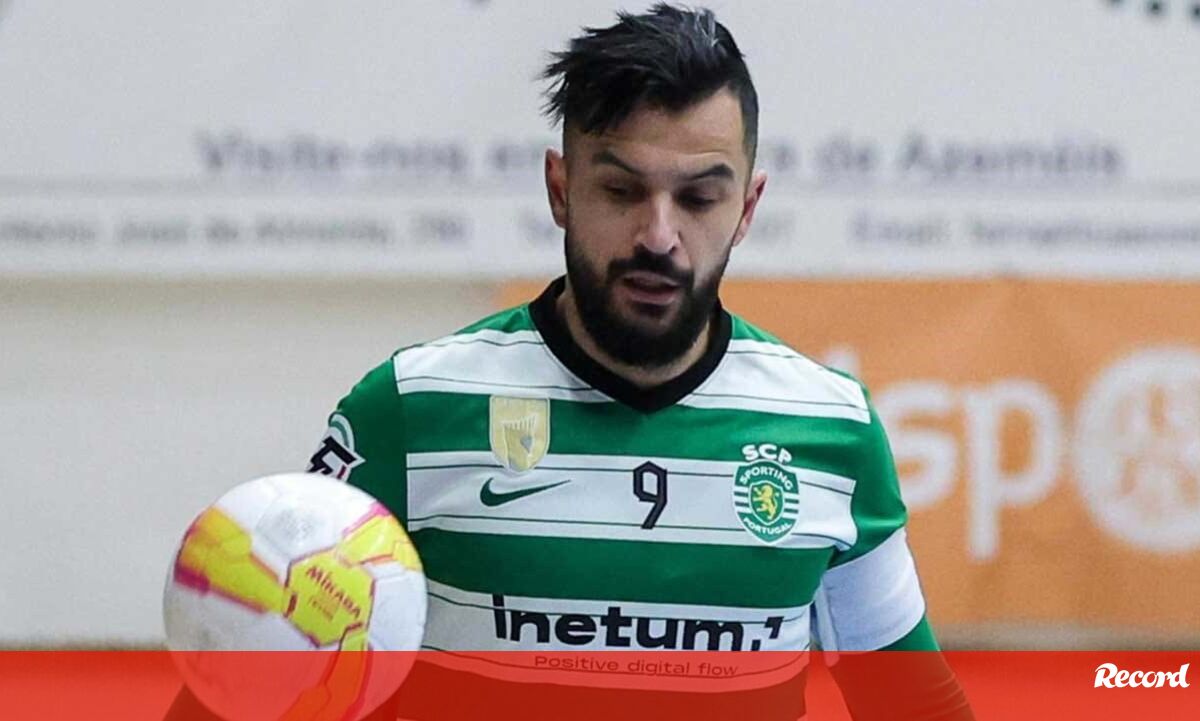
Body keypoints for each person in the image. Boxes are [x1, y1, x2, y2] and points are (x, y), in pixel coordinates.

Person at [166, 4, 972, 719]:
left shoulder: (831, 431)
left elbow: (911, 705)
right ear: (560, 188)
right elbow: (253, 679)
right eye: (621, 191)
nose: (659, 236)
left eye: (699, 197)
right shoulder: (411, 407)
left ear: (747, 207)